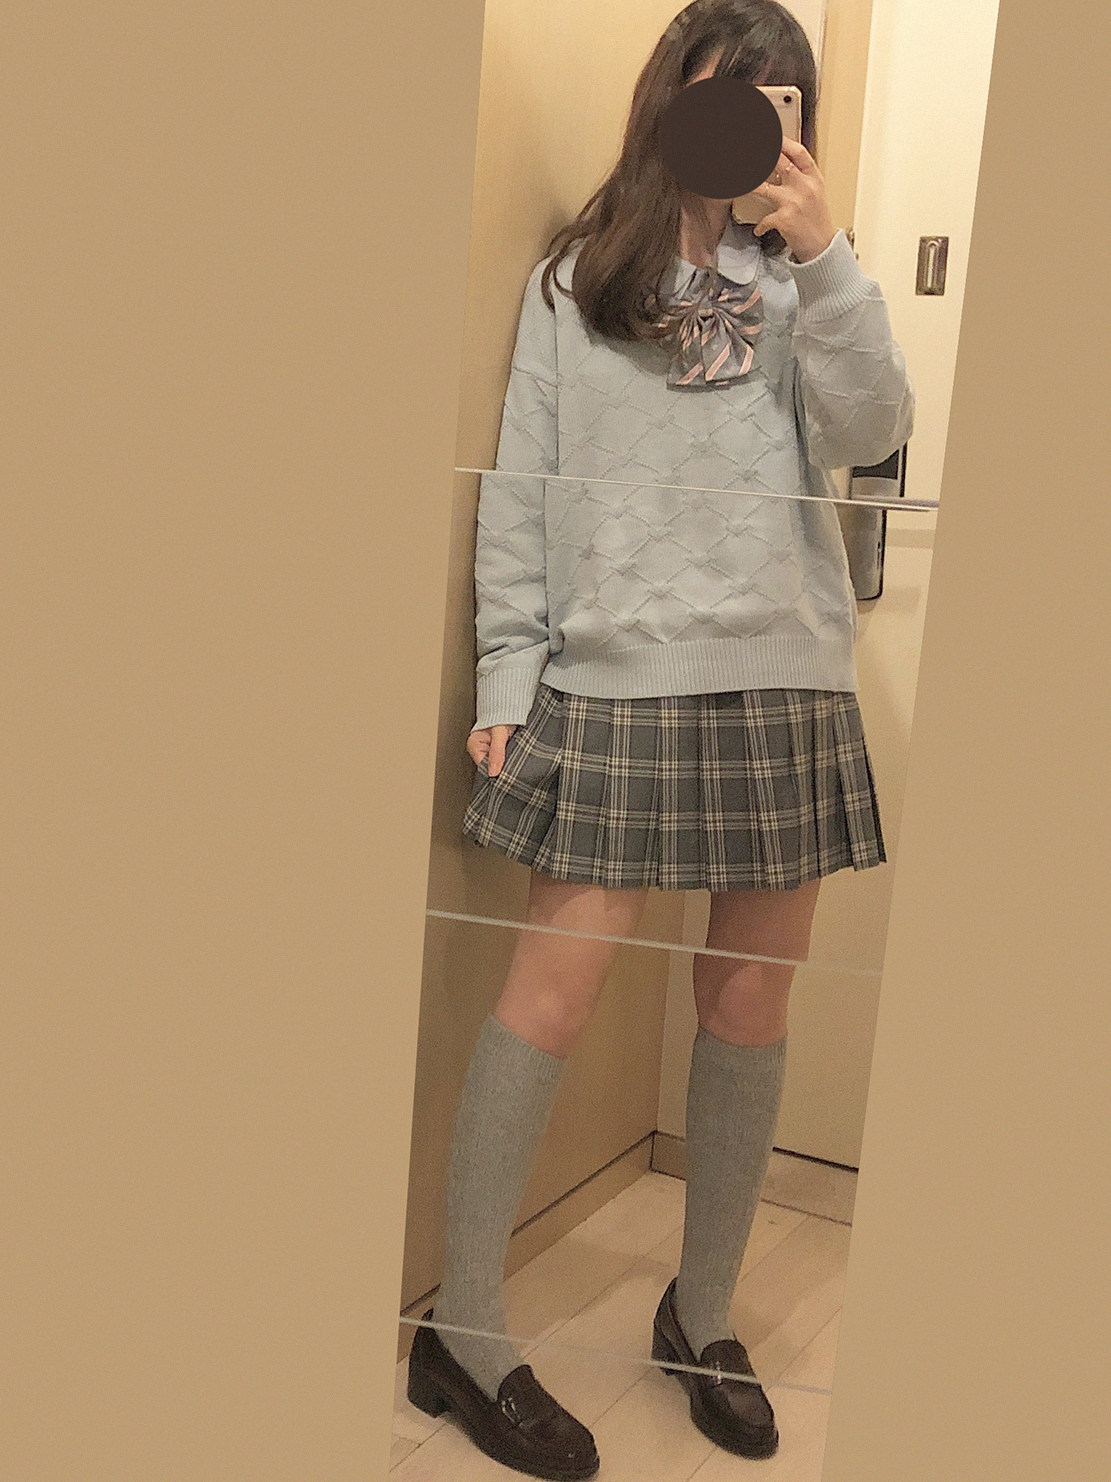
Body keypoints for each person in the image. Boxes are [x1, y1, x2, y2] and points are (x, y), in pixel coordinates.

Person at [407, 2, 914, 1477]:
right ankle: (466, 1330)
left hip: (785, 675)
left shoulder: (807, 273)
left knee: (749, 1004)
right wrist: (510, 669)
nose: (752, 114)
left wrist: (825, 255)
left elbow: (872, 432)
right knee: (551, 995)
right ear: (670, 100)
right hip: (616, 676)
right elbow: (524, 482)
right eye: (727, 89)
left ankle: (700, 1313)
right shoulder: (579, 278)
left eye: (780, 95)